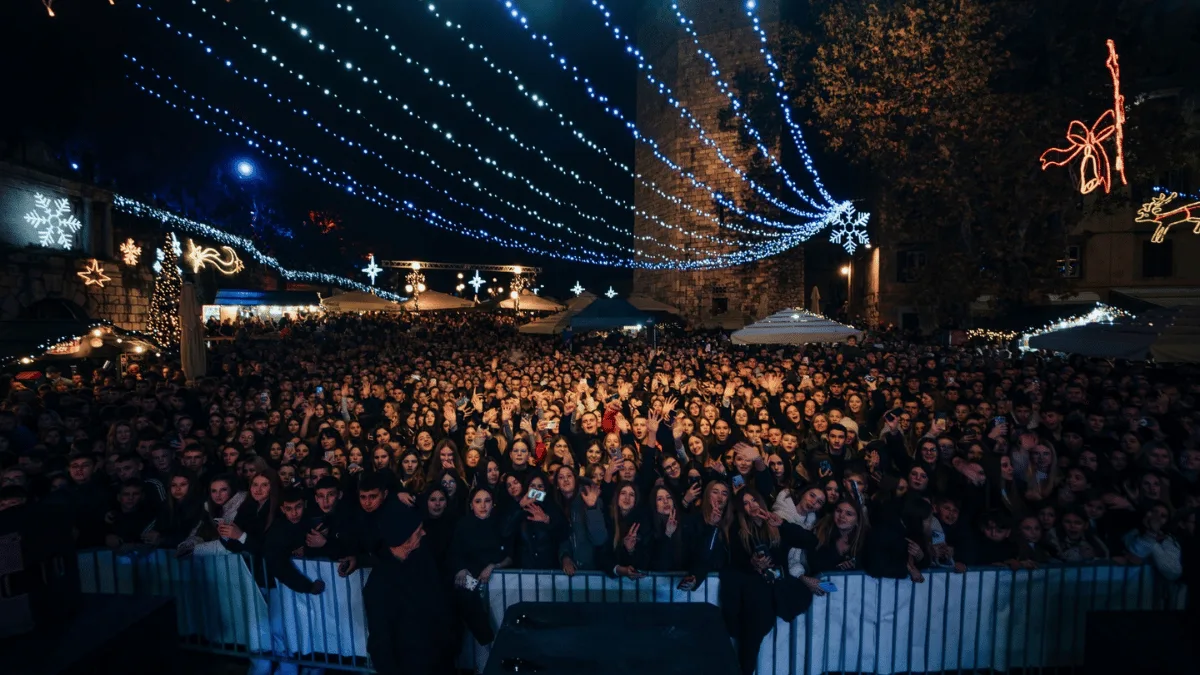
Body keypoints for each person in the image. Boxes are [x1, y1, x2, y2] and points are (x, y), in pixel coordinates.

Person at [340, 472, 453, 675]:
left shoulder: (423, 562)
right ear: (404, 541)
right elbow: (380, 642)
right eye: (418, 532)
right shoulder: (379, 587)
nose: (424, 533)